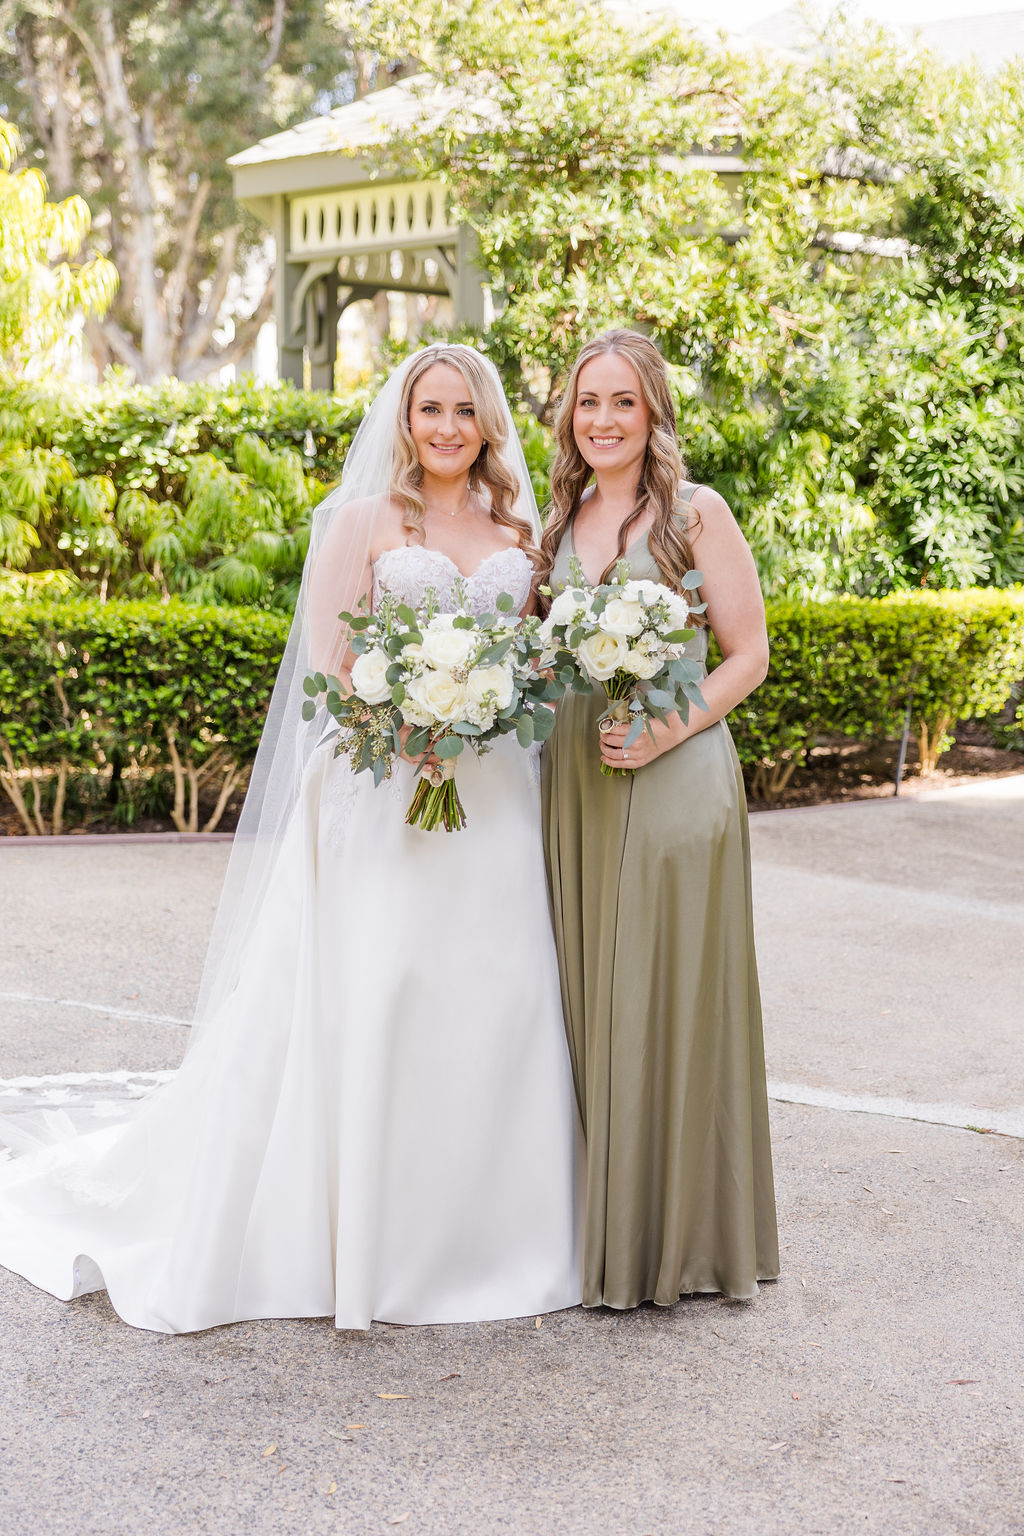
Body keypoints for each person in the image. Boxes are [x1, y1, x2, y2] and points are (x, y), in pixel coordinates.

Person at [0, 344, 582, 1334]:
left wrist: (483, 707)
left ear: (487, 423)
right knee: (377, 993)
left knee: (500, 996)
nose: (444, 427)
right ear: (403, 421)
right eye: (426, 409)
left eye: (461, 411)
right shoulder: (358, 522)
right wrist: (405, 719)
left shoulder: (519, 537)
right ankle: (357, 1237)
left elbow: (530, 664)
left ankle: (494, 1236)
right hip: (381, 785)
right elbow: (332, 657)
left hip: (490, 799)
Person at [539, 329, 779, 1308]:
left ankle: (678, 1249)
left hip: (673, 773)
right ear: (567, 416)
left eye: (622, 402)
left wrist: (663, 730)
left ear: (652, 414)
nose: (601, 420)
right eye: (587, 402)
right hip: (575, 780)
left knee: (664, 995)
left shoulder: (694, 512)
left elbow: (747, 654)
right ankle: (605, 1235)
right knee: (591, 998)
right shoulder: (554, 525)